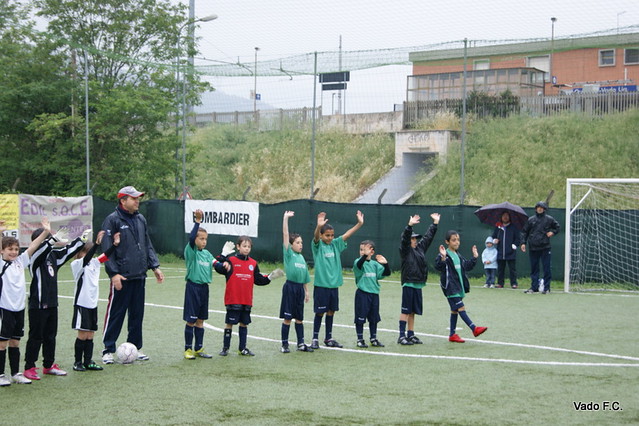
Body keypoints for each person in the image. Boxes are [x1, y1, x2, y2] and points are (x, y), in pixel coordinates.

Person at [100, 186, 164, 364]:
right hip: (122, 277)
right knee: (116, 313)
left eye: (138, 198)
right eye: (134, 198)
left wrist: (154, 266)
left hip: (139, 275)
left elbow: (147, 244)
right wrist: (113, 273)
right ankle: (108, 349)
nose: (137, 201)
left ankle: (136, 347)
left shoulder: (140, 219)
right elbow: (106, 250)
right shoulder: (112, 220)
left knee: (137, 315)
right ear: (123, 201)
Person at [23, 225, 89, 381]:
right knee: (36, 336)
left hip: (52, 303)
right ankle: (29, 367)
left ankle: (49, 365)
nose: (49, 243)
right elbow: (40, 250)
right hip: (38, 304)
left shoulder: (53, 256)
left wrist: (81, 240)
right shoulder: (33, 257)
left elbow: (68, 252)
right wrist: (51, 240)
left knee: (50, 336)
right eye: (45, 241)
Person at [0, 217, 52, 386]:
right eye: (9, 249)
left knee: (15, 342)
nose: (14, 252)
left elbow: (32, 247)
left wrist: (45, 232)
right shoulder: (1, 264)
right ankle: (1, 375)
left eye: (15, 249)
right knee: (2, 343)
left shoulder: (20, 262)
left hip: (19, 309)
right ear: (2, 251)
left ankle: (15, 373)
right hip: (4, 309)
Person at [214, 236, 281, 356]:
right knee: (229, 323)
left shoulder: (253, 263)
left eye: (249, 247)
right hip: (233, 299)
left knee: (244, 324)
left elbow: (258, 279)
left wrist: (270, 277)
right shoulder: (231, 261)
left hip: (246, 300)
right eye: (244, 246)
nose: (247, 249)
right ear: (238, 247)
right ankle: (225, 348)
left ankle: (242, 348)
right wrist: (223, 255)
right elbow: (218, 266)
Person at [310, 210, 364, 350]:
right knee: (319, 312)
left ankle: (328, 338)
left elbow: (346, 234)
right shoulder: (318, 246)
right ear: (322, 235)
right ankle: (315, 338)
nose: (330, 238)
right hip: (322, 285)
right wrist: (318, 226)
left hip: (334, 286)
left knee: (331, 311)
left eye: (332, 235)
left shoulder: (335, 244)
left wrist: (359, 223)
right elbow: (315, 237)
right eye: (327, 235)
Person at [70, 231, 120, 372]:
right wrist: (96, 245)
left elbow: (105, 256)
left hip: (93, 303)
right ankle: (77, 362)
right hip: (81, 303)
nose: (88, 255)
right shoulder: (77, 264)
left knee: (91, 334)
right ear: (79, 253)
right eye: (85, 252)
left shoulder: (94, 263)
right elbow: (88, 258)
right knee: (82, 334)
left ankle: (88, 361)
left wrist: (115, 245)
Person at [434, 230, 487, 343]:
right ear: (447, 241)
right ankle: (474, 328)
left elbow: (466, 266)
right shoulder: (445, 254)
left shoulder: (458, 255)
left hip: (459, 287)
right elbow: (438, 266)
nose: (457, 242)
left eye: (458, 240)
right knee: (461, 308)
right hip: (450, 287)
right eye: (454, 240)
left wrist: (474, 257)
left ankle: (452, 335)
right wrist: (443, 258)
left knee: (454, 310)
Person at [397, 213, 440, 345]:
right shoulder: (405, 250)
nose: (415, 240)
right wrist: (409, 226)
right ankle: (401, 336)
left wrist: (435, 224)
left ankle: (411, 334)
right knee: (405, 310)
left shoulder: (420, 249)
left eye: (415, 239)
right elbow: (404, 239)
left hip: (418, 284)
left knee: (413, 311)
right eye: (413, 238)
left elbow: (428, 238)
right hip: (409, 284)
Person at [279, 211, 313, 353]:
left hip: (299, 289)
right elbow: (286, 235)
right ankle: (285, 345)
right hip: (290, 288)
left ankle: (301, 343)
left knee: (299, 318)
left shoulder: (301, 258)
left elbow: (305, 277)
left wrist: (306, 291)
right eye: (298, 242)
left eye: (301, 243)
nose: (300, 245)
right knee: (288, 319)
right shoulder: (289, 254)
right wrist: (285, 218)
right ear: (291, 245)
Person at [183, 209, 214, 360]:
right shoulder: (191, 251)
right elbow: (190, 238)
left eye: (205, 239)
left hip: (204, 289)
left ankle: (199, 348)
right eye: (201, 238)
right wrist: (197, 222)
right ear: (195, 239)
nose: (204, 241)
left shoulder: (207, 254)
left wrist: (226, 262)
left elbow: (217, 264)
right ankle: (188, 349)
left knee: (201, 320)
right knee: (191, 319)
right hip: (193, 288)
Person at [352, 240, 390, 348]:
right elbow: (359, 264)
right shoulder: (358, 262)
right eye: (361, 250)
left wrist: (385, 264)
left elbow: (387, 273)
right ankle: (360, 339)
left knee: (374, 318)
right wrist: (364, 255)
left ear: (372, 252)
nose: (362, 252)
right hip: (362, 294)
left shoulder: (374, 265)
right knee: (360, 317)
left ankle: (373, 338)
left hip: (374, 295)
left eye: (365, 250)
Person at [520, 201, 560, 294]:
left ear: (544, 209)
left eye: (541, 207)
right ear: (536, 209)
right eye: (538, 207)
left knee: (546, 268)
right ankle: (534, 287)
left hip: (545, 247)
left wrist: (552, 232)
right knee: (534, 268)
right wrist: (523, 243)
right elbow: (524, 232)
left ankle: (546, 288)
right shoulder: (531, 220)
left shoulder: (549, 219)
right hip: (533, 247)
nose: (539, 209)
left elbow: (557, 227)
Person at [491, 211, 520, 289]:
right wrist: (494, 240)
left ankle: (514, 283)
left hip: (511, 252)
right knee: (500, 269)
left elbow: (517, 239)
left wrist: (515, 245)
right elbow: (493, 236)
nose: (505, 217)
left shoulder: (513, 227)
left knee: (512, 269)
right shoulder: (498, 227)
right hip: (500, 252)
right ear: (501, 217)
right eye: (503, 215)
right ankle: (500, 283)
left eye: (507, 215)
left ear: (509, 217)